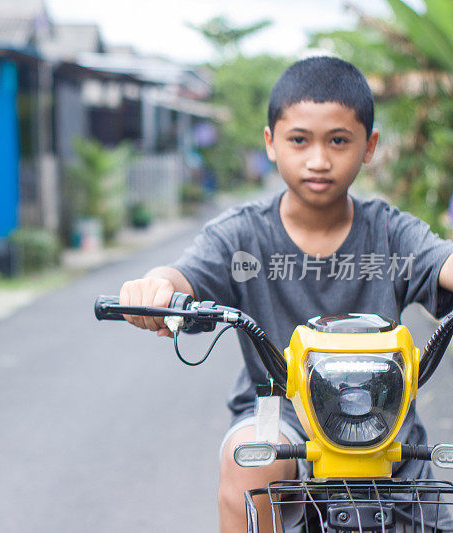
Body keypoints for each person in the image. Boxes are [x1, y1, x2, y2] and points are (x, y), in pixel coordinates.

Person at [118, 56, 453, 532]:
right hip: (282, 420)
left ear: (369, 146)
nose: (318, 159)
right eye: (300, 140)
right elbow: (181, 274)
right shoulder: (241, 236)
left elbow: (442, 260)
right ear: (271, 143)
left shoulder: (392, 232)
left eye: (338, 140)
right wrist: (155, 287)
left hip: (384, 430)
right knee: (248, 462)